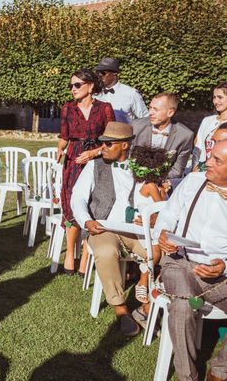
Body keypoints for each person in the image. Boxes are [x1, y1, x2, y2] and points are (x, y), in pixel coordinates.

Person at [71, 122, 158, 336]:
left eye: (109, 144)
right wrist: (86, 221)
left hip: (138, 230)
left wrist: (152, 216)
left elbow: (156, 200)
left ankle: (148, 307)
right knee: (106, 251)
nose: (103, 148)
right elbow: (78, 197)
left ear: (125, 146)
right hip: (103, 227)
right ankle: (120, 308)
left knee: (165, 256)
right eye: (102, 143)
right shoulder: (95, 165)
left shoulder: (143, 167)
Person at [156, 140, 227, 381]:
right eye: (211, 155)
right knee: (183, 306)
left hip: (220, 276)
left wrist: (224, 266)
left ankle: (220, 370)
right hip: (180, 263)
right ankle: (187, 376)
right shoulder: (194, 181)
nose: (208, 162)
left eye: (218, 160)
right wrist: (164, 233)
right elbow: (166, 215)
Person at [57, 68, 115, 276]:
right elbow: (64, 136)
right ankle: (70, 254)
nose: (73, 89)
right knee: (72, 202)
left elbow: (111, 140)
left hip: (98, 160)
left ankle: (87, 255)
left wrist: (93, 153)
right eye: (71, 85)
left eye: (77, 85)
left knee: (93, 204)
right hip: (73, 159)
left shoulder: (105, 108)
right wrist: (59, 148)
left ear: (91, 86)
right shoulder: (67, 109)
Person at [125, 145, 168, 328]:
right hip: (144, 229)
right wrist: (164, 190)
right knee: (157, 252)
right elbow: (165, 207)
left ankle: (149, 305)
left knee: (161, 251)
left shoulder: (144, 184)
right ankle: (143, 282)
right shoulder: (150, 186)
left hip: (148, 226)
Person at [132, 93, 194, 179]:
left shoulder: (185, 135)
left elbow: (177, 170)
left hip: (164, 183)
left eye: (155, 109)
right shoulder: (136, 126)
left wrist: (156, 180)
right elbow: (127, 158)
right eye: (150, 108)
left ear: (170, 112)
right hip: (135, 179)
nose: (150, 112)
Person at [94, 57, 148, 123]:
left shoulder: (131, 94)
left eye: (103, 73)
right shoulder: (95, 94)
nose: (100, 75)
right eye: (98, 73)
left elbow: (145, 119)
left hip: (124, 133)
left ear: (115, 73)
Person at [193, 81, 227, 171]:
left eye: (220, 97)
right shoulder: (208, 121)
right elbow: (198, 146)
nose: (216, 101)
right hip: (203, 168)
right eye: (214, 97)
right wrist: (196, 166)